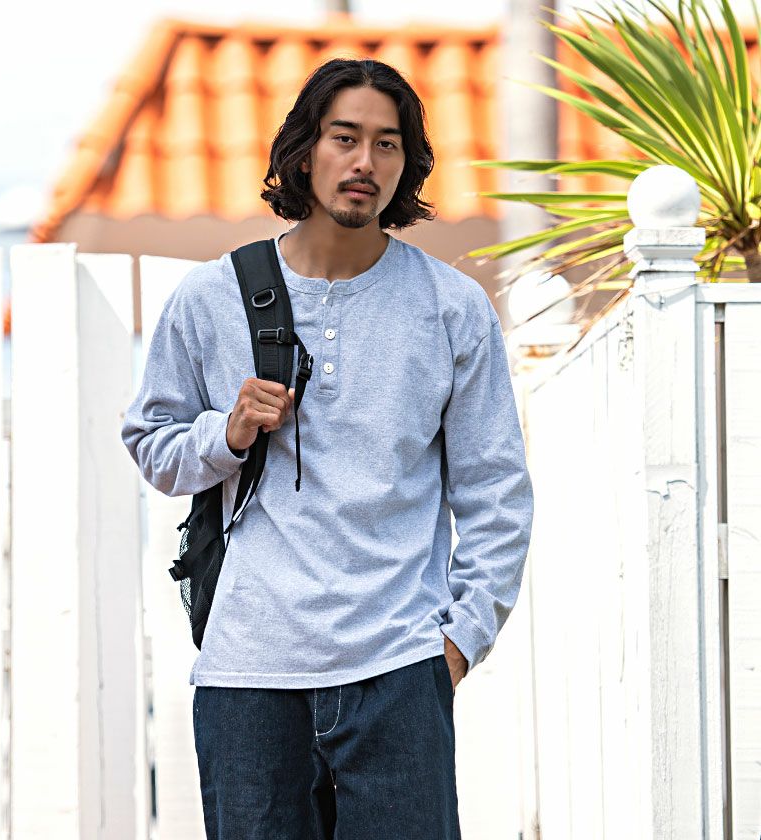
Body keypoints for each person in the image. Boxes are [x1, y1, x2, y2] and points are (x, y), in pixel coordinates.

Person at [121, 57, 534, 840]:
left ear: (407, 162)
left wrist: (456, 645)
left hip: (399, 670)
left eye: (387, 143)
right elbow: (151, 443)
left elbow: (496, 493)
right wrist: (227, 432)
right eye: (345, 137)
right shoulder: (209, 298)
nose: (364, 161)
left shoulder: (452, 308)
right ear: (304, 151)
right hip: (249, 676)